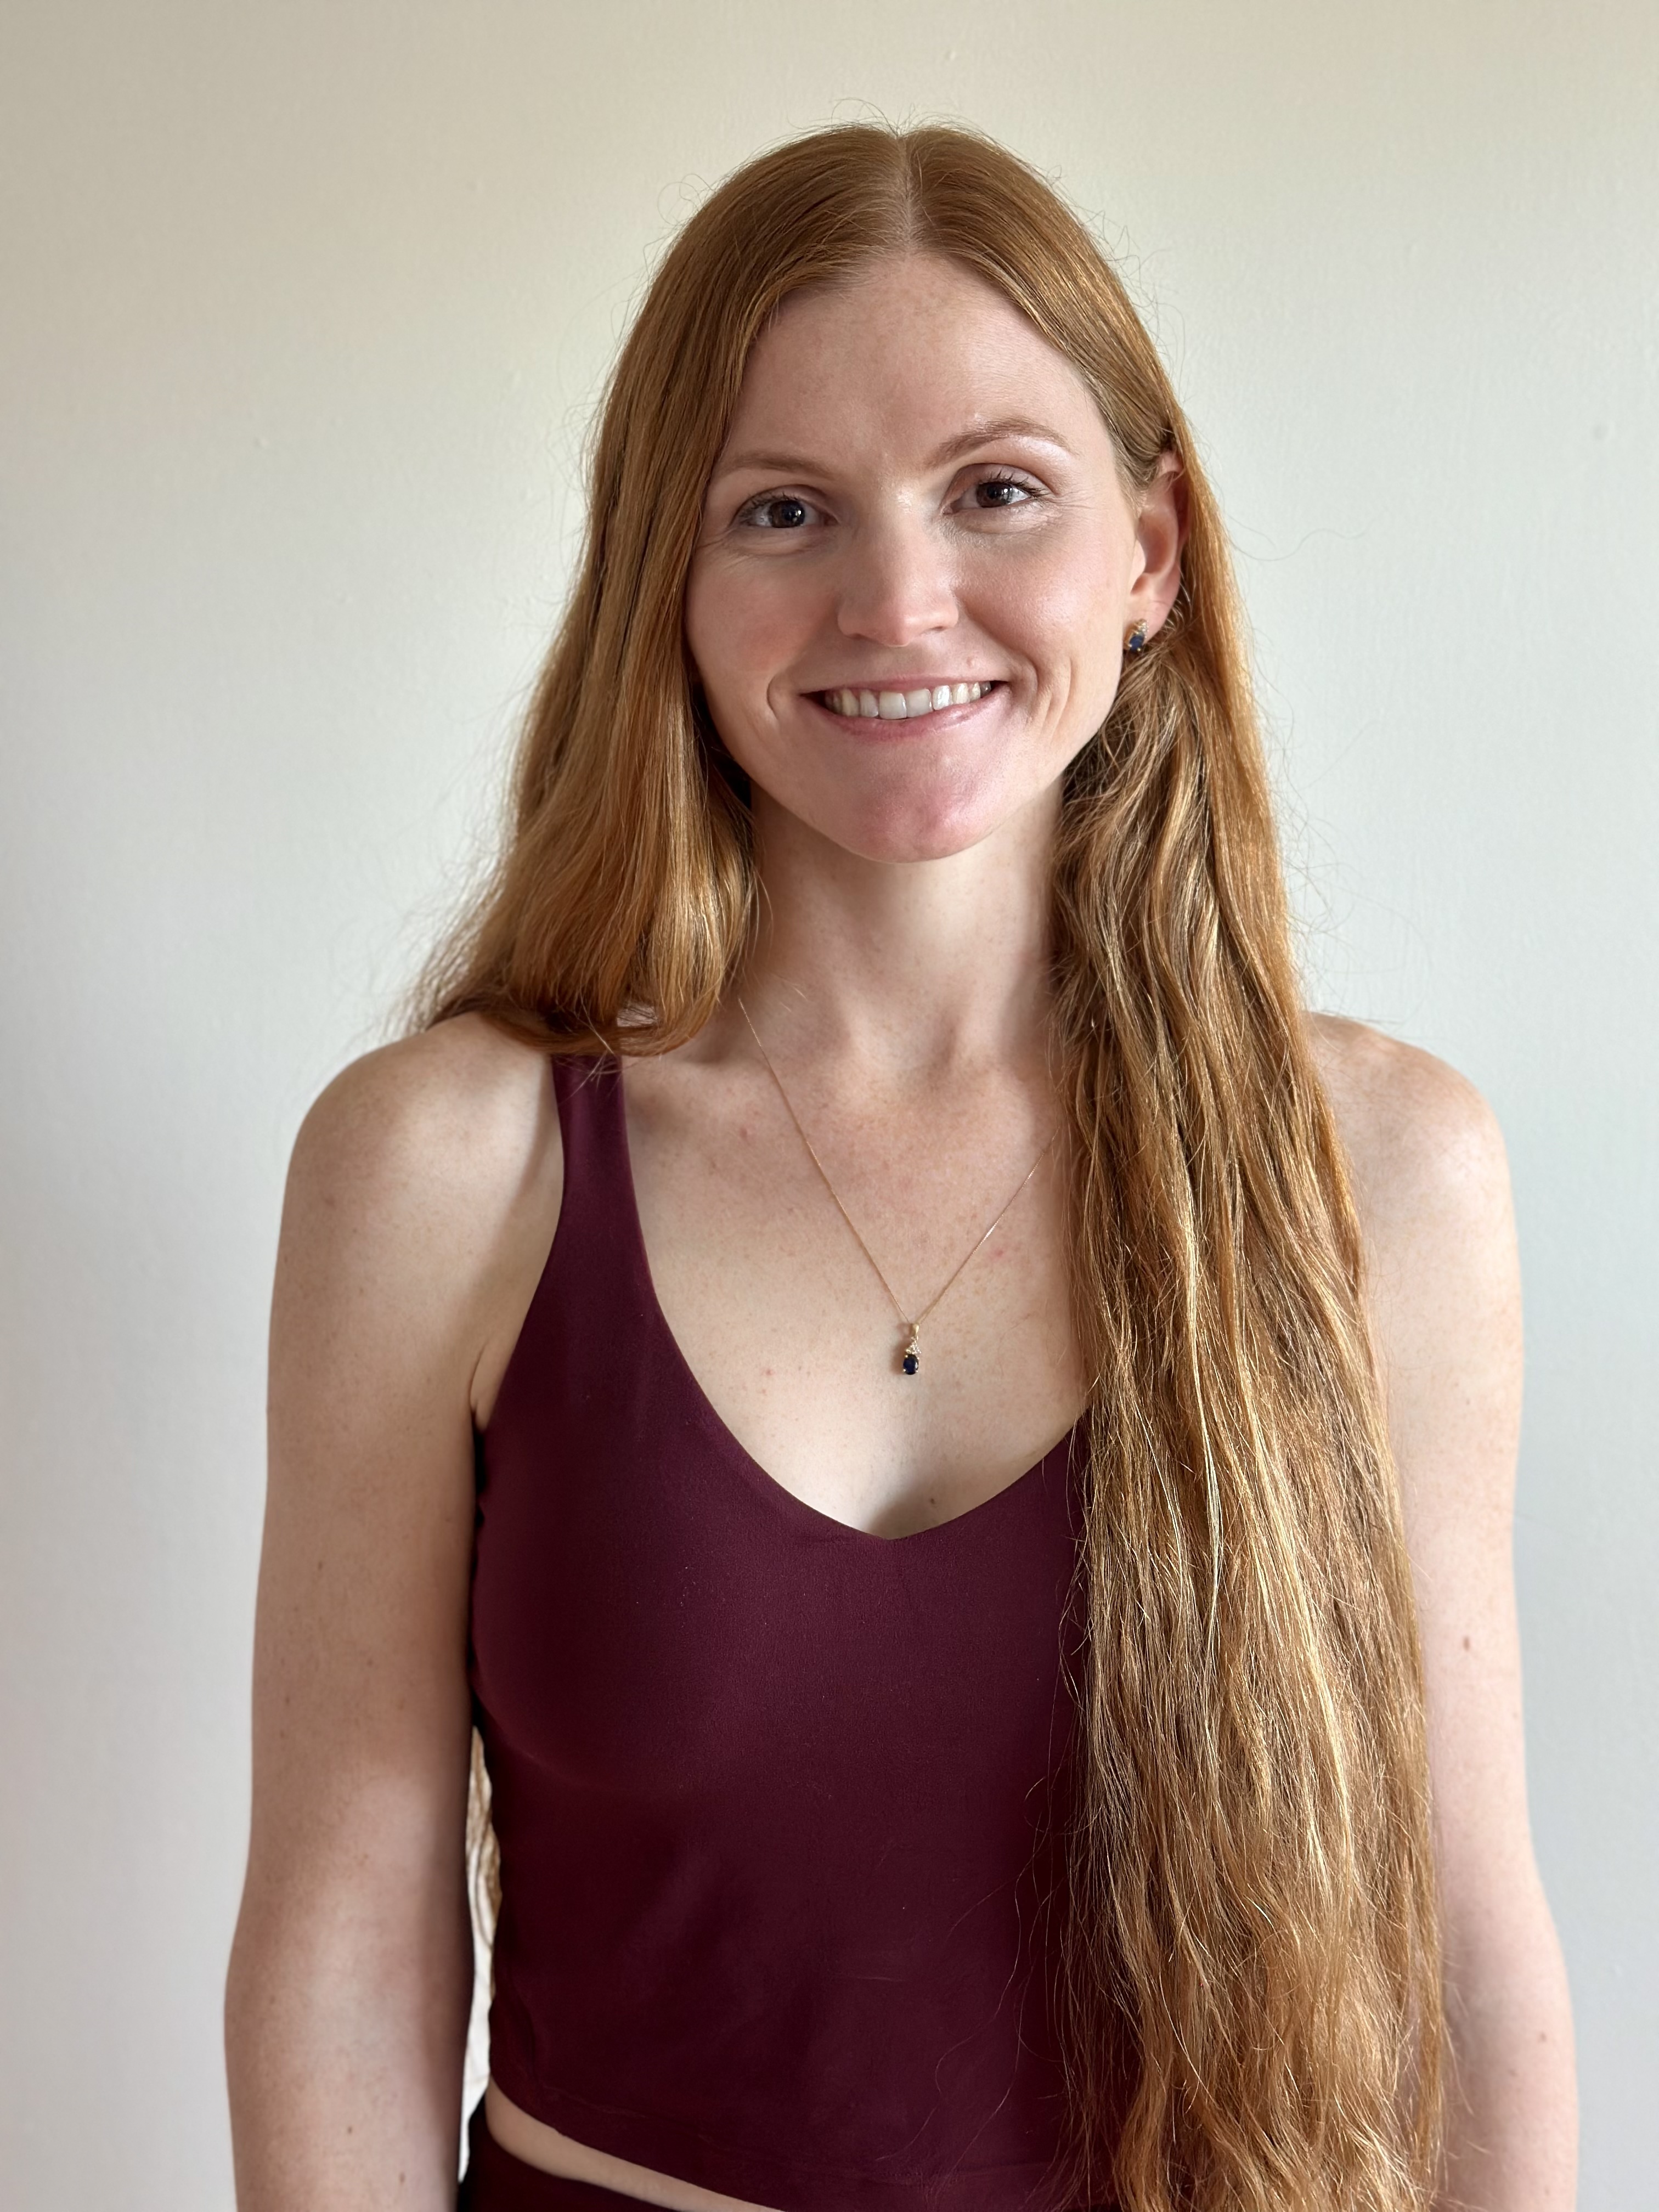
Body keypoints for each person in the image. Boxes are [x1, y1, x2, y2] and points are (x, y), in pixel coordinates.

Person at [223, 125, 1577, 2212]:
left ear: (1150, 553)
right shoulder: (446, 1171)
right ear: (667, 582)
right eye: (783, 511)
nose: (897, 601)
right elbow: (344, 1950)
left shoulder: (1378, 1178)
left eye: (996, 492)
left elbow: (1469, 1972)